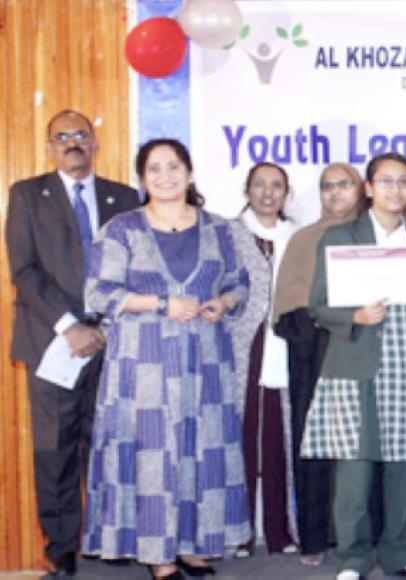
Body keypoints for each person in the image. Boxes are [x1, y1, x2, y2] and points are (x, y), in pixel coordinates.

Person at [82, 138, 254, 579]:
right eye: (154, 169)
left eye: (173, 166)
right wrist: (158, 303)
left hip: (205, 361)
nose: (165, 176)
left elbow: (239, 281)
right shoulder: (122, 229)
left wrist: (224, 302)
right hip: (143, 364)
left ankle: (192, 545)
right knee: (154, 453)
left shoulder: (218, 229)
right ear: (142, 178)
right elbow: (99, 293)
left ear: (190, 172)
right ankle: (159, 556)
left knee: (201, 449)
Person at [5, 109, 139, 578]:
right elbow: (23, 270)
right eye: (61, 136)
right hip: (52, 343)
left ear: (95, 142)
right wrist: (71, 325)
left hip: (112, 341)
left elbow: (133, 268)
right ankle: (61, 549)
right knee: (55, 450)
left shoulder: (123, 198)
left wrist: (101, 323)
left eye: (80, 134)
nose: (72, 142)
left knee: (110, 446)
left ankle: (114, 539)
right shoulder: (26, 194)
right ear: (49, 147)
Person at [301, 153, 406, 580]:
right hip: (356, 359)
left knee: (405, 465)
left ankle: (401, 551)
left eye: (404, 181)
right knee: (355, 469)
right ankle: (354, 557)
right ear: (369, 188)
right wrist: (354, 317)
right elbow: (318, 306)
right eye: (386, 181)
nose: (395, 190)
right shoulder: (340, 237)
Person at [272, 162, 369, 566]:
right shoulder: (304, 239)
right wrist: (320, 325)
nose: (335, 194)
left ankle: (366, 533)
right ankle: (315, 537)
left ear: (360, 189)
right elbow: (285, 310)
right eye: (327, 187)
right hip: (313, 353)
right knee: (313, 443)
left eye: (343, 185)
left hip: (365, 346)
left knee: (365, 445)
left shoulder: (375, 234)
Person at [233, 162, 298, 557]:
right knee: (240, 437)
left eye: (277, 186)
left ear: (287, 194)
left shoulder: (297, 236)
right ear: (247, 191)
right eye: (260, 185)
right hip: (241, 346)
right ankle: (239, 531)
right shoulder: (228, 233)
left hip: (284, 346)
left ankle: (279, 531)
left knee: (278, 437)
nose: (268, 193)